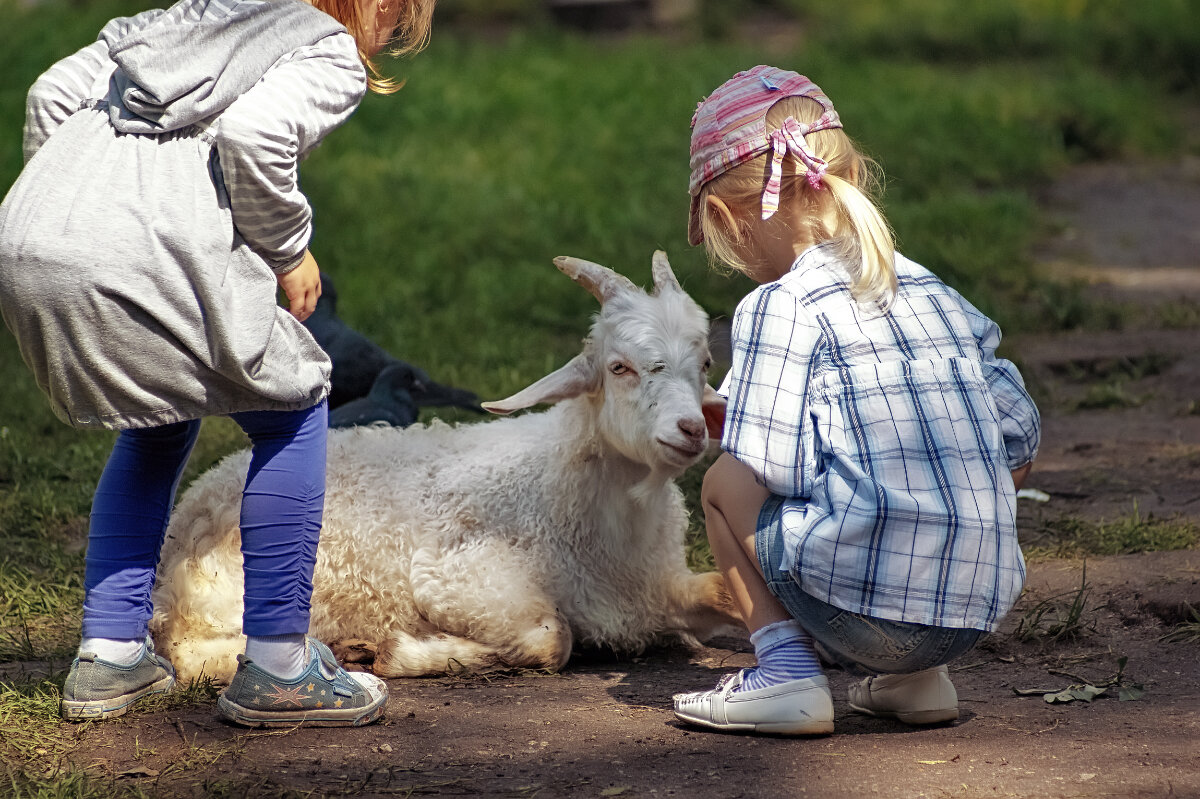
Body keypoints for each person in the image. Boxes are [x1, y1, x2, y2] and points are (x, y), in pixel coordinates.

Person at [0, 0, 435, 725]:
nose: (389, 36)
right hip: (142, 257)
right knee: (293, 408)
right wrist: (290, 250)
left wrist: (79, 217)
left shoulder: (172, 19)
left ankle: (109, 657)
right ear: (381, 5)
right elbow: (254, 134)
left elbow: (50, 93)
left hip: (30, 239)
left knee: (160, 414)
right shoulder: (323, 46)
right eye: (399, 23)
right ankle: (279, 665)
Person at [672, 66, 1040, 735]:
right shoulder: (930, 289)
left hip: (865, 615)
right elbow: (1019, 434)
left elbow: (770, 467)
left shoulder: (776, 307)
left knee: (725, 482)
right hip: (973, 610)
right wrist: (956, 502)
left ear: (728, 219)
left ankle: (784, 675)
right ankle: (917, 683)